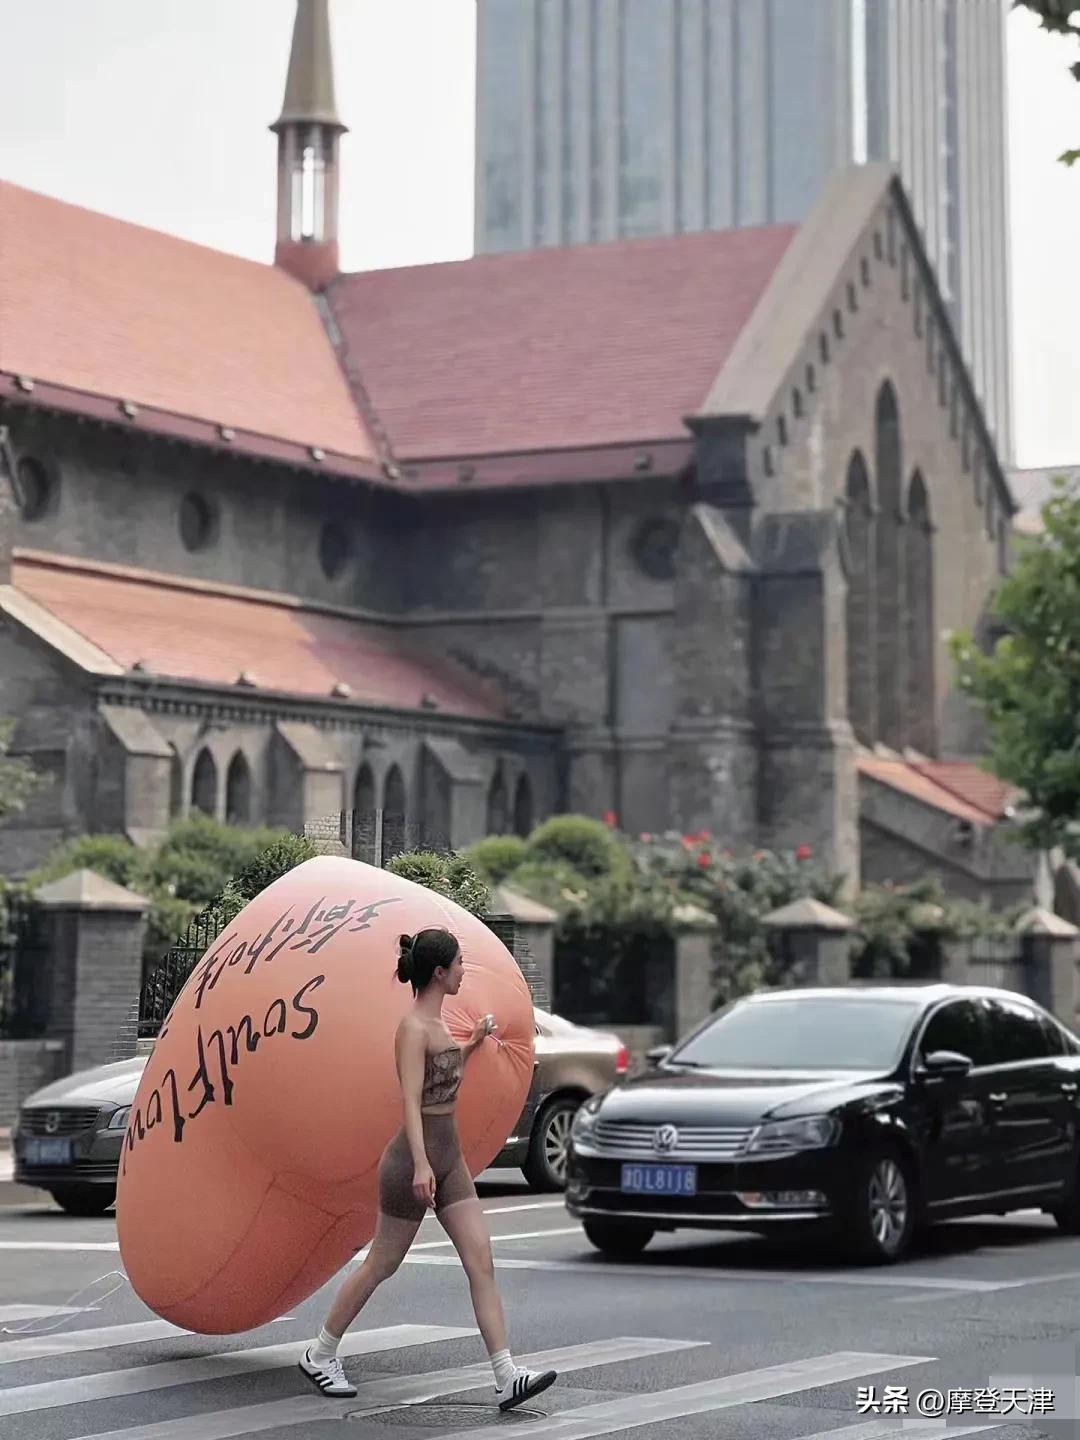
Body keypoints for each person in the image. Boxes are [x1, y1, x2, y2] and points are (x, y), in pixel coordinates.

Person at [299, 926, 558, 1412]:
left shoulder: (440, 1027)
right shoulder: (412, 1029)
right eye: (459, 964)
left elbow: (444, 1068)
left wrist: (476, 1042)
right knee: (383, 1263)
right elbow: (412, 1101)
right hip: (410, 1165)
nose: (464, 971)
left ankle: (506, 1375)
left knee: (481, 1259)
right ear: (439, 973)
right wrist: (420, 1165)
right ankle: (320, 1352)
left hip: (450, 1160)